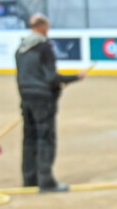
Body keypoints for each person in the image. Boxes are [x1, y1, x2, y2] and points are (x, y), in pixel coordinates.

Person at [14, 14, 83, 193]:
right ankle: (46, 181)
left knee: (29, 139)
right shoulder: (44, 48)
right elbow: (51, 77)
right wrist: (75, 77)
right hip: (43, 100)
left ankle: (29, 179)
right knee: (45, 139)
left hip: (26, 97)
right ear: (43, 26)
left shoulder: (20, 49)